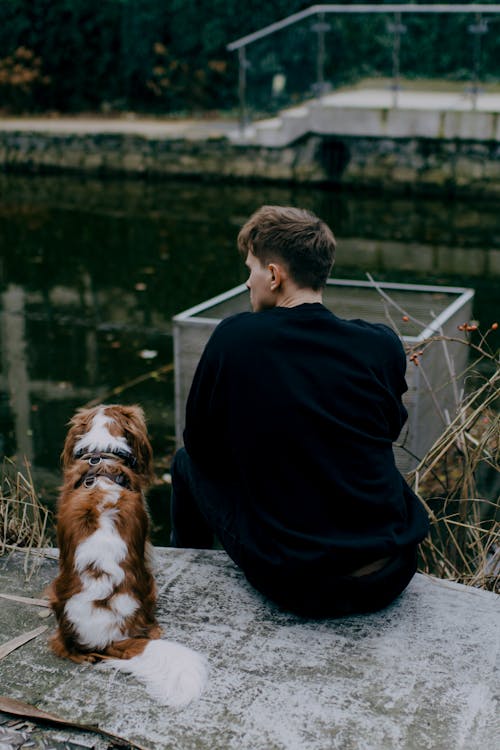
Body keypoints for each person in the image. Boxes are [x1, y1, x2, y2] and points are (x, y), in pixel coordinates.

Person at [170, 205, 429, 618]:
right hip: (391, 572)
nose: (248, 281)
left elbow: (202, 446)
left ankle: (182, 575)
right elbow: (387, 428)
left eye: (251, 268)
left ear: (274, 276)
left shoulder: (236, 338)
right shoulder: (380, 343)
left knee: (184, 463)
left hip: (302, 586)